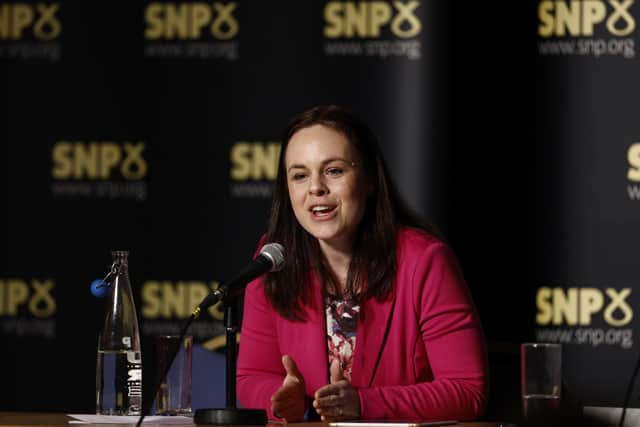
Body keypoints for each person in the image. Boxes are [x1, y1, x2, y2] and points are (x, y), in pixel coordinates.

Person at [236, 105, 489, 422]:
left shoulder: (425, 261)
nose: (316, 187)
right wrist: (280, 399)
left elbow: (467, 390)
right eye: (300, 175)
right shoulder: (273, 260)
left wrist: (365, 406)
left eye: (334, 171)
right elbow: (252, 376)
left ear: (369, 178)